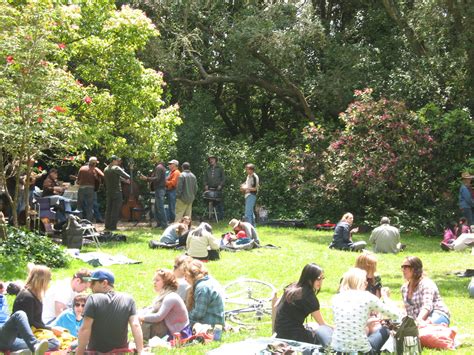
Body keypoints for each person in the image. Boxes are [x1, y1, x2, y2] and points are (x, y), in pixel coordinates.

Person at [331, 268, 400, 354]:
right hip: (361, 351)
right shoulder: (367, 297)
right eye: (365, 282)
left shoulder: (336, 298)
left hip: (337, 350)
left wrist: (367, 321)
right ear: (359, 282)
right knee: (384, 330)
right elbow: (395, 314)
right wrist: (385, 297)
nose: (366, 285)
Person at [76, 269, 143, 354]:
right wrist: (141, 351)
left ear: (104, 283)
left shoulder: (93, 298)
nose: (90, 286)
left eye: (93, 283)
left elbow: (85, 329)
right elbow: (135, 325)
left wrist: (79, 353)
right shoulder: (129, 299)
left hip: (96, 352)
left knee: (74, 345)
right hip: (121, 352)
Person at [274, 263, 333, 347]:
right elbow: (322, 325)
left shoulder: (292, 287)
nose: (321, 282)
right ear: (309, 278)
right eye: (318, 278)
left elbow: (276, 305)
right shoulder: (309, 297)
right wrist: (337, 329)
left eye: (322, 278)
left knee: (313, 326)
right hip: (292, 336)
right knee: (323, 337)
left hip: (280, 331)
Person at [138, 269, 191, 341]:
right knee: (146, 315)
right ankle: (142, 340)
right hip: (169, 328)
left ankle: (142, 342)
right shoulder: (164, 295)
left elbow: (159, 317)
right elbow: (152, 308)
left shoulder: (171, 297)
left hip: (179, 333)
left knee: (146, 322)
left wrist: (142, 317)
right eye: (154, 280)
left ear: (166, 282)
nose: (154, 282)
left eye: (157, 280)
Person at [401, 256, 450, 325]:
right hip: (419, 319)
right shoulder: (404, 288)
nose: (403, 270)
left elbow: (427, 306)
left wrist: (418, 321)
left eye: (406, 267)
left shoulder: (426, 284)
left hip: (436, 314)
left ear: (415, 269)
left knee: (425, 326)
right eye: (402, 267)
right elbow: (407, 310)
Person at [184, 260, 224, 326]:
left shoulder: (202, 288)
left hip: (210, 324)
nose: (185, 279)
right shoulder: (208, 280)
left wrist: (184, 316)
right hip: (214, 320)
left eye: (186, 276)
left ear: (191, 276)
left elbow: (198, 314)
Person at [13, 265, 52, 330]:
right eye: (49, 279)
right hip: (22, 335)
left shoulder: (35, 293)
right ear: (42, 280)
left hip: (34, 330)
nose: (49, 281)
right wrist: (50, 329)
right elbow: (29, 322)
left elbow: (37, 320)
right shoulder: (27, 297)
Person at [103, 155, 130, 231]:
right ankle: (113, 227)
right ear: (113, 161)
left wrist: (124, 180)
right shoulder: (117, 168)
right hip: (117, 192)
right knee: (115, 209)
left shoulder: (105, 169)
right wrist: (123, 170)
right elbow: (127, 176)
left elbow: (117, 177)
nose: (118, 162)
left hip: (109, 192)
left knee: (108, 209)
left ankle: (107, 226)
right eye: (117, 160)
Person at [140, 160, 167, 228]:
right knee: (157, 207)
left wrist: (147, 178)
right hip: (160, 189)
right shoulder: (161, 167)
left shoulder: (158, 167)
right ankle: (159, 224)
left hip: (159, 189)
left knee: (160, 207)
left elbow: (157, 178)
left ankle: (163, 224)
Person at [76, 157, 104, 222]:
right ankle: (89, 221)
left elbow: (78, 181)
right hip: (90, 189)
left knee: (79, 206)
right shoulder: (95, 169)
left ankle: (78, 221)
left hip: (81, 189)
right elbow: (103, 176)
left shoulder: (82, 168)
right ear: (94, 163)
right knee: (90, 206)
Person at [204, 155, 225, 220]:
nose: (211, 160)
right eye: (210, 159)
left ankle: (220, 217)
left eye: (212, 159)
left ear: (215, 160)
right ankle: (210, 216)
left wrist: (220, 185)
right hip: (209, 188)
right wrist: (205, 185)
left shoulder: (220, 168)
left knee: (219, 202)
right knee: (209, 202)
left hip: (218, 188)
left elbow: (223, 178)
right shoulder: (207, 169)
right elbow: (205, 178)